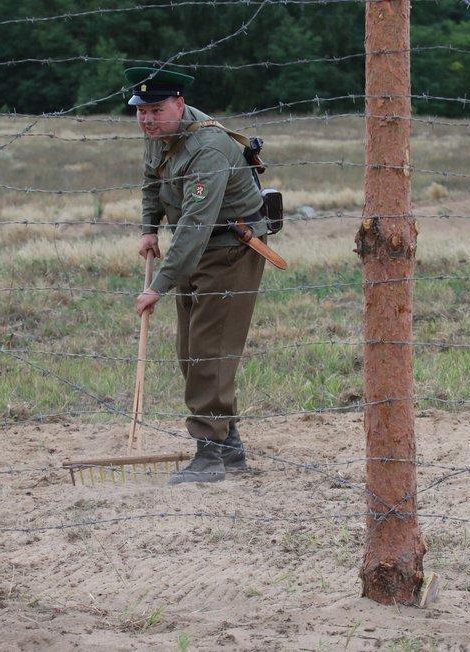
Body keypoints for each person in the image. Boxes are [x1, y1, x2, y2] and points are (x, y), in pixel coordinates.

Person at [127, 66, 271, 485]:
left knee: (209, 351)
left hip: (229, 250)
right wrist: (149, 227)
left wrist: (157, 286)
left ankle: (209, 456)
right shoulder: (162, 136)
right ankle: (229, 445)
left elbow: (194, 224)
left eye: (155, 110)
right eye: (141, 111)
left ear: (179, 103)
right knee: (191, 349)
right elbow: (151, 181)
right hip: (198, 250)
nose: (147, 120)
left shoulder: (206, 148)